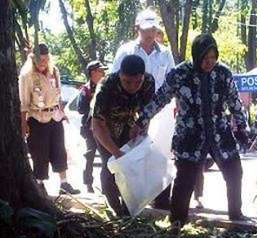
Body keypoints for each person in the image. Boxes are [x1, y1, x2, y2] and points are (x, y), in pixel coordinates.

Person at [134, 34, 249, 234]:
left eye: (213, 58)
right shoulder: (180, 73)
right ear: (196, 56)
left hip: (219, 134)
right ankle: (177, 221)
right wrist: (141, 120)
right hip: (190, 135)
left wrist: (242, 126)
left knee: (234, 172)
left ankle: (236, 215)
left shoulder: (223, 73)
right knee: (185, 179)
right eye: (205, 58)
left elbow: (234, 101)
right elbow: (160, 98)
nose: (209, 63)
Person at [112, 8, 175, 210]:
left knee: (161, 155)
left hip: (161, 111)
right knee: (133, 155)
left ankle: (162, 200)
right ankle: (132, 199)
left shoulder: (165, 53)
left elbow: (173, 80)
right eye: (146, 29)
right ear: (137, 28)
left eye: (153, 29)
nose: (149, 34)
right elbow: (114, 80)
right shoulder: (126, 51)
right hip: (131, 110)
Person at [92, 55, 155, 216]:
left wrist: (141, 128)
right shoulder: (106, 86)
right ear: (120, 74)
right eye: (127, 82)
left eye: (137, 82)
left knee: (132, 167)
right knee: (111, 166)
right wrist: (116, 152)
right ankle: (116, 211)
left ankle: (129, 211)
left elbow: (147, 111)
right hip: (106, 128)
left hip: (129, 126)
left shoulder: (148, 82)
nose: (133, 86)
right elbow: (97, 124)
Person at [19, 43, 80, 195]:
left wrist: (62, 111)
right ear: (33, 59)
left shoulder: (54, 71)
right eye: (40, 60)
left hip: (55, 116)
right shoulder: (27, 75)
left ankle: (64, 184)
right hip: (37, 118)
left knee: (59, 150)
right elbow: (24, 103)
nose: (43, 63)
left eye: (46, 60)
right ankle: (39, 185)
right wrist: (23, 124)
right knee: (40, 153)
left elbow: (57, 94)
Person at [78, 60, 107, 193]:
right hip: (90, 129)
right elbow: (80, 109)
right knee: (90, 156)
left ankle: (106, 187)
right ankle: (88, 184)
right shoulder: (86, 90)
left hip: (104, 128)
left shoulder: (106, 87)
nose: (103, 73)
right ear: (93, 73)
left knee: (106, 158)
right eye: (100, 71)